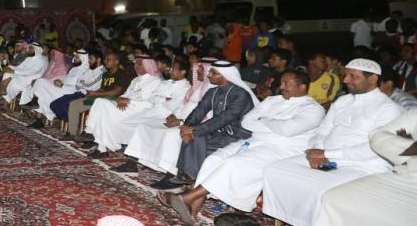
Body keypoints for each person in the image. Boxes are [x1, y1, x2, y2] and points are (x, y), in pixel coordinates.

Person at [162, 70, 324, 225]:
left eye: (286, 83)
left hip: (281, 150)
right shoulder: (272, 100)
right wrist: (272, 124)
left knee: (233, 164)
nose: (281, 87)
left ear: (302, 87)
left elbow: (288, 130)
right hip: (253, 142)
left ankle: (187, 198)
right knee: (213, 159)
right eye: (281, 83)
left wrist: (263, 120)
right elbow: (247, 122)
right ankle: (192, 210)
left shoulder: (313, 109)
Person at [261, 58, 404, 226]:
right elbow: (323, 130)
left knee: (320, 189)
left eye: (353, 76)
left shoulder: (388, 109)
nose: (346, 80)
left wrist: (326, 154)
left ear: (372, 79)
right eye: (346, 75)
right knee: (274, 169)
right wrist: (316, 150)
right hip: (324, 157)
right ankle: (289, 217)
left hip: (363, 166)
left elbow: (375, 148)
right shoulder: (343, 101)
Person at [315, 109, 417, 225]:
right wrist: (409, 147)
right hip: (404, 173)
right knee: (332, 198)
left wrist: (400, 145)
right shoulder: (414, 112)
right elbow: (376, 135)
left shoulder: (389, 108)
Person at [171, 60, 257, 182]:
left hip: (237, 134)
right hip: (218, 132)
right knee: (194, 137)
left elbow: (224, 118)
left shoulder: (241, 95)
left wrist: (193, 130)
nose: (208, 75)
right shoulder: (213, 91)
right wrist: (186, 126)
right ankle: (186, 175)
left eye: (213, 73)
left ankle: (191, 177)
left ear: (225, 75)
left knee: (196, 138)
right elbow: (199, 111)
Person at [108, 59, 192, 173]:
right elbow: (152, 98)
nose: (170, 70)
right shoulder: (166, 82)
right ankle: (135, 154)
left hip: (165, 115)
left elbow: (172, 105)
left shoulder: (186, 87)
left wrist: (162, 98)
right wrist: (164, 98)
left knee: (141, 127)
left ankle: (133, 162)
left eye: (174, 69)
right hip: (153, 110)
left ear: (183, 72)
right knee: (124, 123)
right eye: (171, 68)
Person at [80, 55, 170, 154]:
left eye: (139, 64)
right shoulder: (135, 80)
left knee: (103, 109)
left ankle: (94, 137)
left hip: (139, 110)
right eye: (135, 64)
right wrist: (120, 99)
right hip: (125, 107)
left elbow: (151, 103)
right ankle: (97, 143)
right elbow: (125, 95)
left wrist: (128, 101)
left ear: (148, 66)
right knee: (100, 103)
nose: (136, 66)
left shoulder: (156, 81)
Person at [56, 51, 131, 141]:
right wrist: (94, 92)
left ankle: (91, 135)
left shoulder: (122, 74)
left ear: (116, 62)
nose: (105, 61)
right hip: (100, 98)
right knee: (74, 104)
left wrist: (96, 94)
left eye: (108, 60)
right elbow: (103, 89)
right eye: (105, 59)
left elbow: (115, 92)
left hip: (113, 101)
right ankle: (72, 132)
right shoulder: (106, 74)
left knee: (96, 106)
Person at [25, 49, 101, 124]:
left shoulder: (86, 71)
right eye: (74, 57)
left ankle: (35, 103)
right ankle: (38, 120)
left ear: (83, 59)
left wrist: (62, 85)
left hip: (70, 92)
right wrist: (58, 81)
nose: (74, 58)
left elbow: (79, 88)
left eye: (77, 57)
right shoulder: (74, 69)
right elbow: (66, 79)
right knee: (41, 90)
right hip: (62, 89)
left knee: (40, 83)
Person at [1, 42, 48, 106]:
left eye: (31, 48)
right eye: (29, 48)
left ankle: (4, 103)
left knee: (13, 83)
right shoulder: (29, 58)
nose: (29, 50)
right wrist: (10, 67)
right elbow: (20, 67)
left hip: (31, 78)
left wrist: (13, 71)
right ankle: (3, 90)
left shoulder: (42, 60)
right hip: (22, 75)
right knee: (7, 73)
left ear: (37, 49)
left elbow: (31, 72)